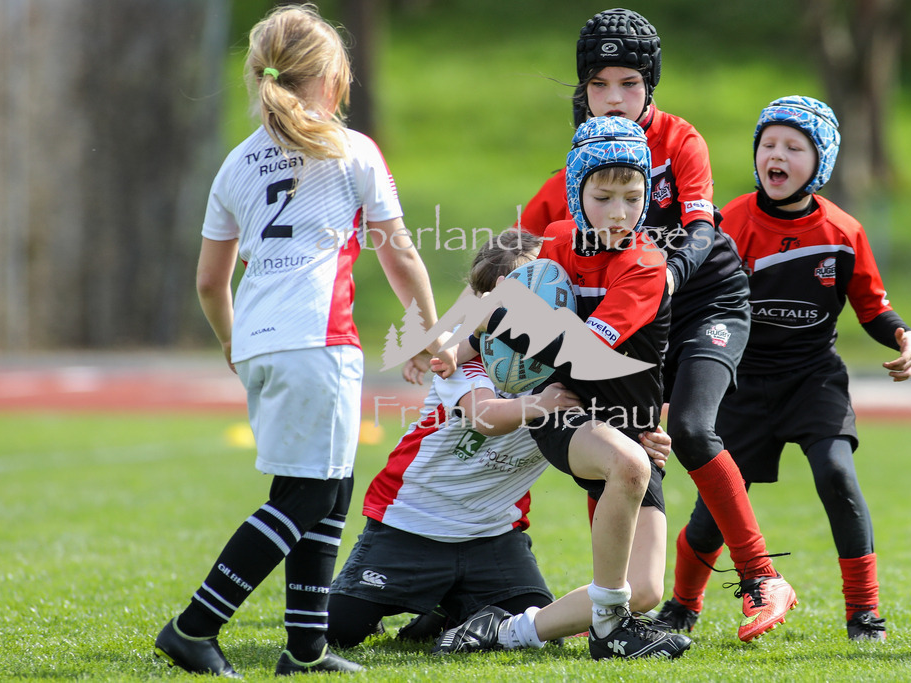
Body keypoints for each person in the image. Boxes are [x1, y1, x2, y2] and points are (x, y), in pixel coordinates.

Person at [153, 4, 456, 677]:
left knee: (330, 488)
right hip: (318, 340)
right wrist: (428, 331)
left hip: (265, 339)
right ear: (333, 77)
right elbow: (399, 253)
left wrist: (235, 346)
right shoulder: (351, 148)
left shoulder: (235, 162)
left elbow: (210, 280)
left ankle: (306, 647)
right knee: (307, 497)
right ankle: (194, 626)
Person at [517, 8, 796, 642]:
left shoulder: (680, 140)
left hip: (704, 304)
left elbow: (701, 230)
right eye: (598, 85)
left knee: (693, 429)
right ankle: (616, 609)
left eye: (630, 84)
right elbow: (512, 258)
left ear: (652, 86)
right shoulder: (577, 169)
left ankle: (760, 578)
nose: (613, 100)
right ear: (582, 89)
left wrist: (663, 278)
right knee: (619, 445)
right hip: (632, 322)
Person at [326, 229, 677, 648]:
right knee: (341, 630)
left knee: (548, 631)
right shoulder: (457, 359)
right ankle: (406, 598)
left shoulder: (566, 366)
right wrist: (539, 405)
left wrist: (644, 437)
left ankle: (445, 609)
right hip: (411, 523)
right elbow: (486, 418)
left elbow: (610, 424)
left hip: (494, 536)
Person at [435, 116, 692, 661]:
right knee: (629, 466)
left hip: (632, 432)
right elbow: (499, 300)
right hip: (566, 414)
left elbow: (585, 347)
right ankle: (607, 636)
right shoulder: (551, 244)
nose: (619, 212)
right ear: (577, 194)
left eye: (633, 195)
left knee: (641, 592)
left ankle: (503, 632)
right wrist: (459, 346)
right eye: (602, 197)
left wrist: (493, 327)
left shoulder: (644, 265)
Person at [666, 95, 911, 642]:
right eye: (768, 144)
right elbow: (691, 305)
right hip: (740, 380)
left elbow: (872, 307)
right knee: (711, 516)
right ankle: (682, 606)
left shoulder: (844, 232)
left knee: (836, 473)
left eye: (794, 147)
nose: (775, 155)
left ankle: (864, 613)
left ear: (820, 163)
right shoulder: (725, 223)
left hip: (813, 379)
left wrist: (903, 333)